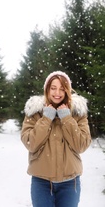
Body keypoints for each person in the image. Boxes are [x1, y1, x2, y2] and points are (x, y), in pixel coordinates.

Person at [21, 71, 91, 207]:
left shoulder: (78, 113)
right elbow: (31, 143)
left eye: (62, 89)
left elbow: (81, 145)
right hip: (41, 183)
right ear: (47, 89)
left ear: (67, 91)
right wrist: (46, 118)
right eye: (53, 88)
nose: (57, 93)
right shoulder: (34, 112)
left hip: (70, 183)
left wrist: (66, 118)